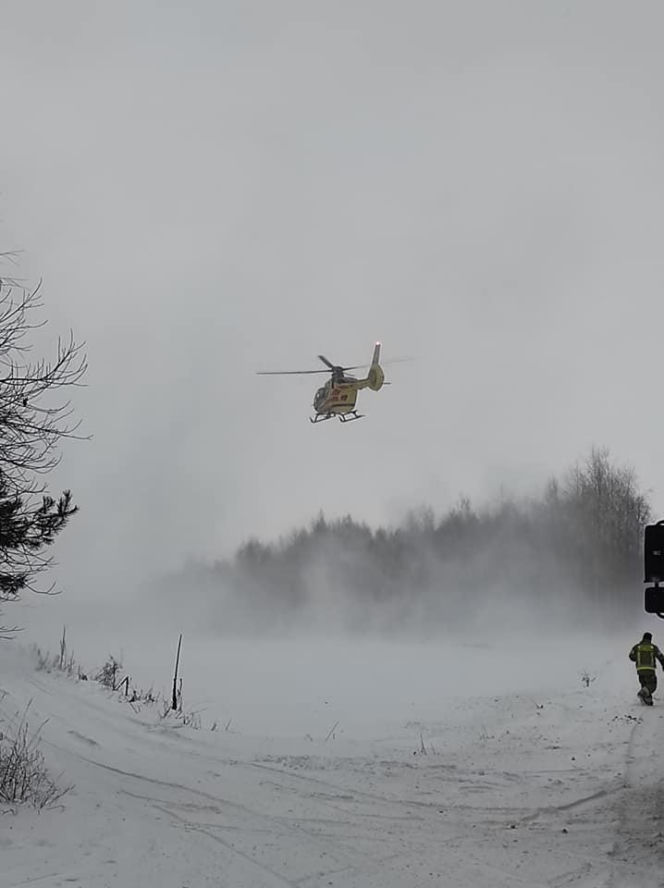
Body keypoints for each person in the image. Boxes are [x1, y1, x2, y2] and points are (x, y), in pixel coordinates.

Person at [629, 632, 664, 705]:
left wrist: (638, 658)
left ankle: (648, 700)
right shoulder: (653, 647)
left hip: (640, 670)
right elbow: (660, 656)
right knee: (652, 685)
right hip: (650, 669)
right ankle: (642, 694)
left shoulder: (637, 647)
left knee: (644, 684)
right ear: (650, 639)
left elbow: (631, 656)